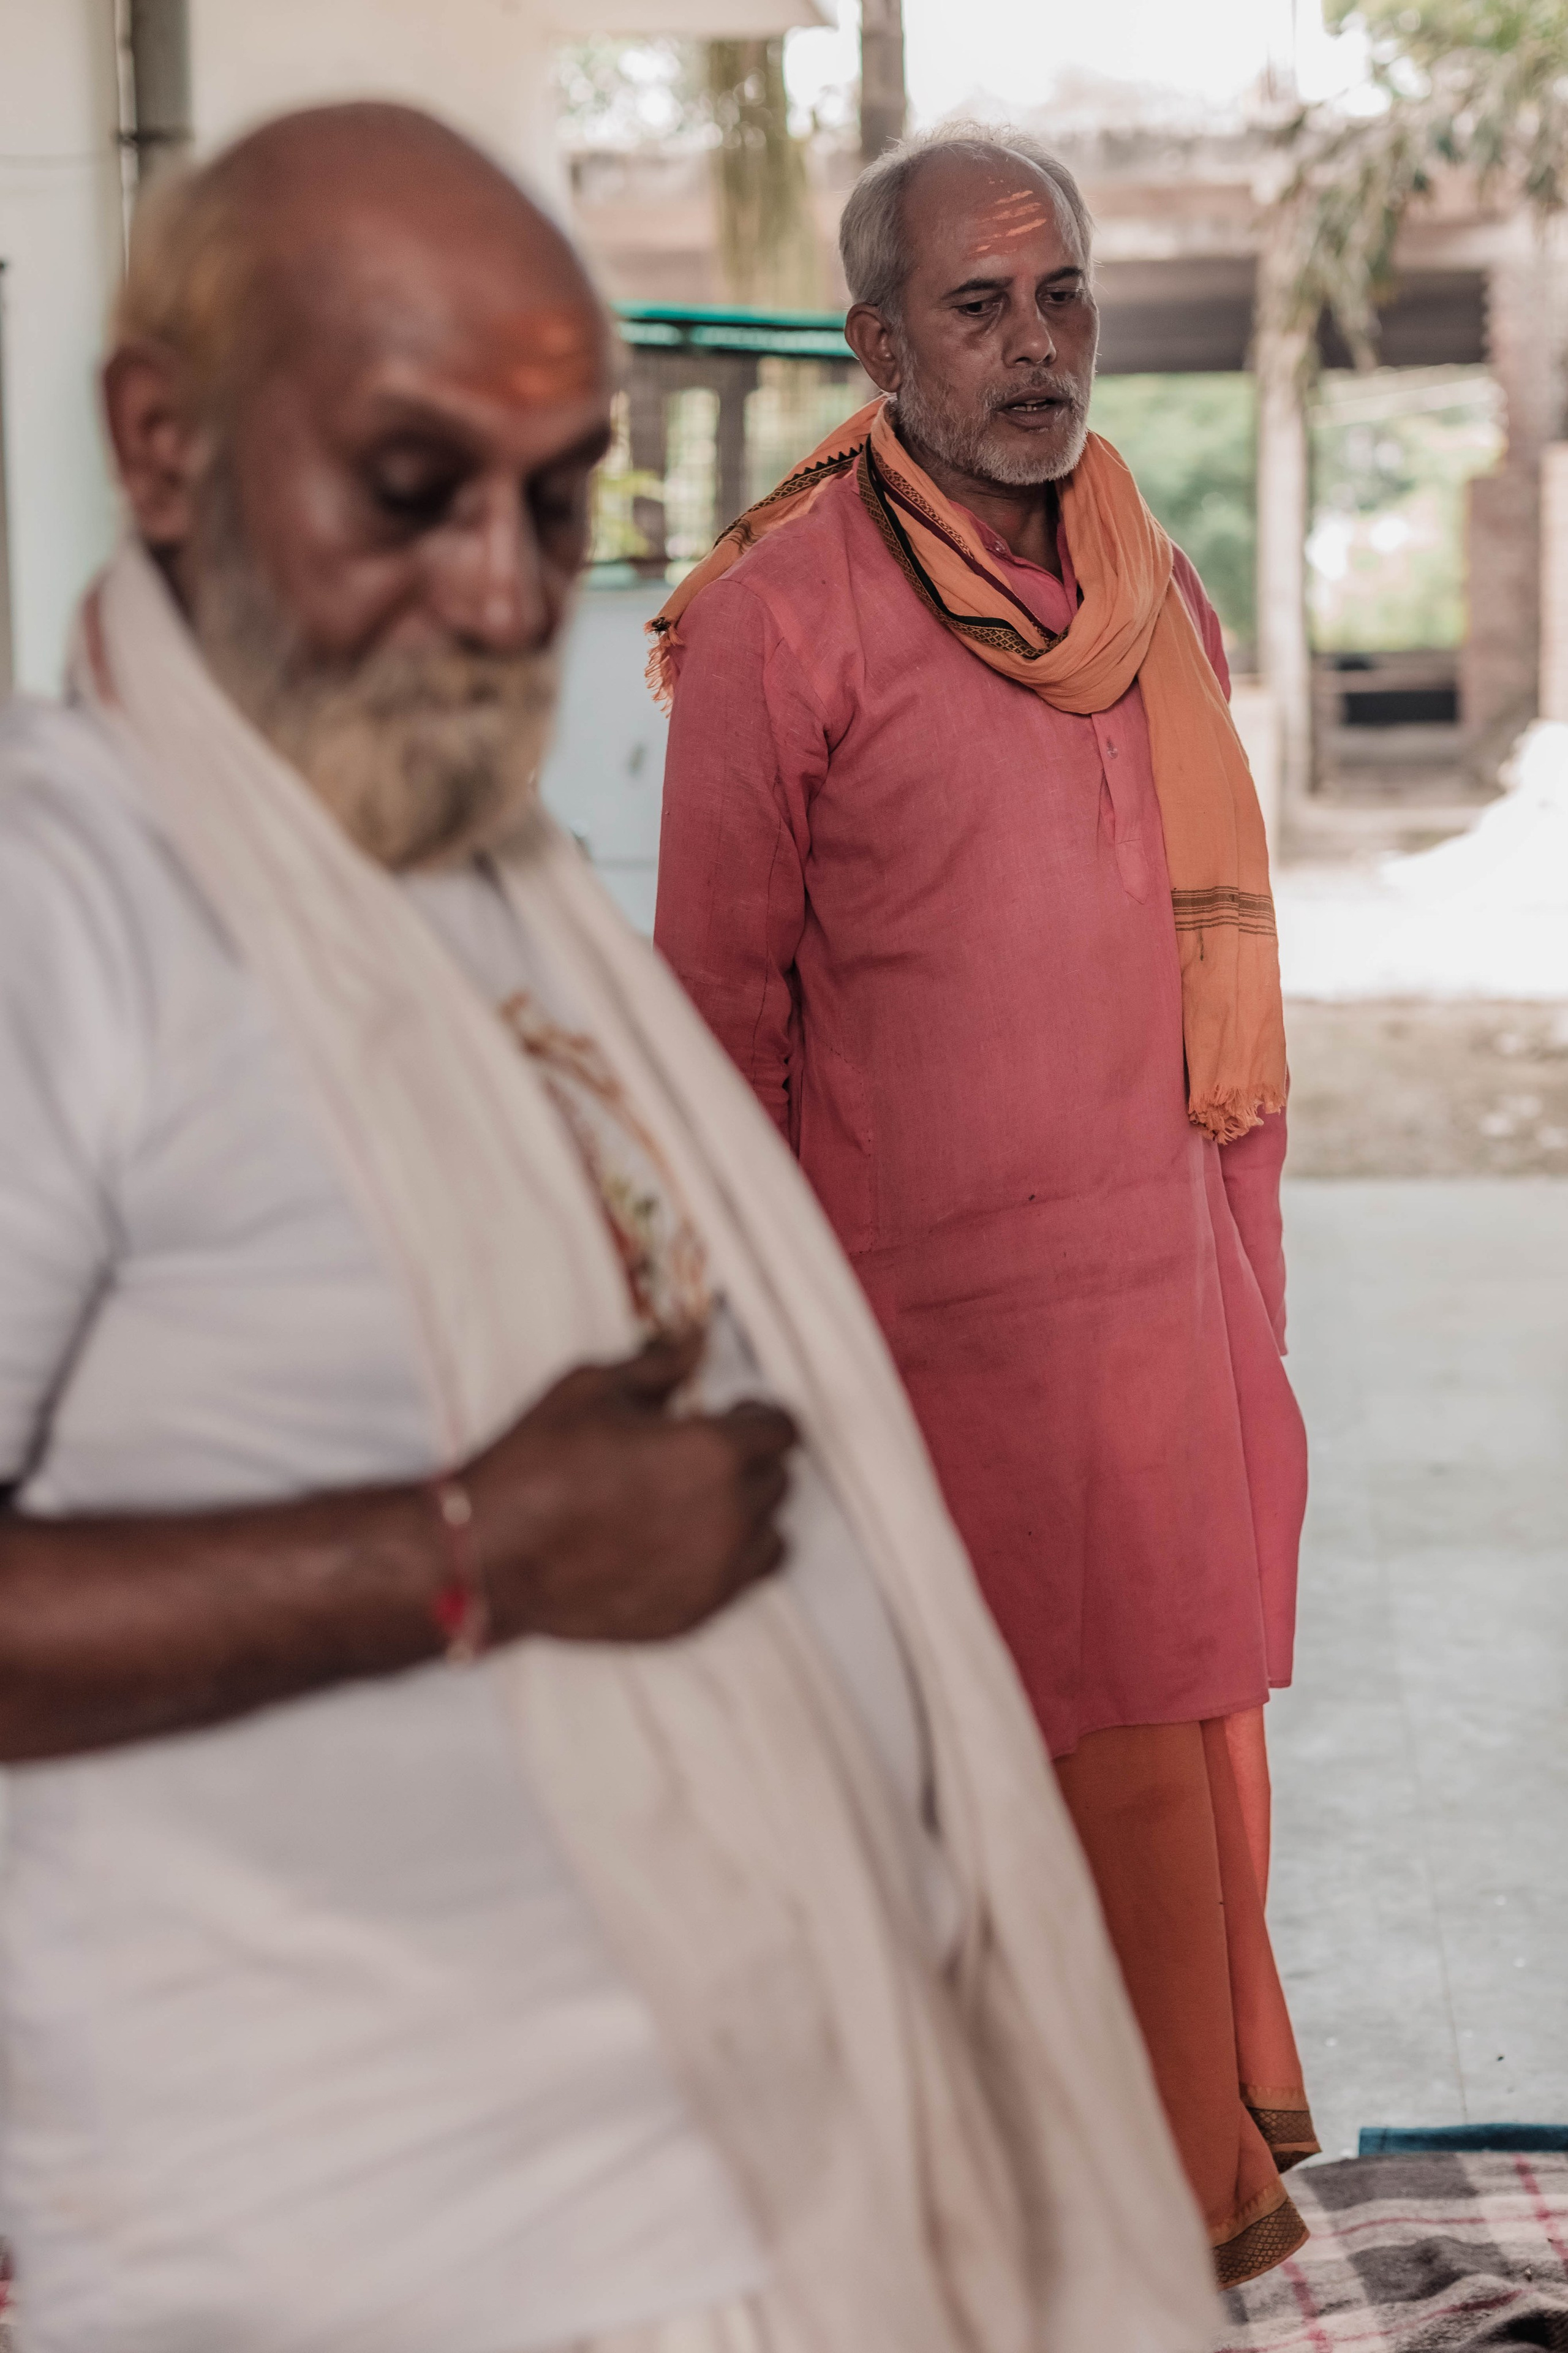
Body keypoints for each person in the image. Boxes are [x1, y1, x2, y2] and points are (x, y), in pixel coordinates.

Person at [0, 103, 1219, 2353]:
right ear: (158, 447)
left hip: (736, 2201)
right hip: (355, 2247)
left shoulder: (477, 874)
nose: (500, 587)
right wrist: (476, 1554)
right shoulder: (61, 905)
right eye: (409, 486)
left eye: (556, 497)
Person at [652, 124, 1317, 2289]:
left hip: (1157, 1313)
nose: (1035, 350)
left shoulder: (1153, 580)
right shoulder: (776, 619)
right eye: (975, 306)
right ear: (875, 343)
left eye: (1061, 299)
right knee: (933, 1778)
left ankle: (1158, 2211)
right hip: (918, 1350)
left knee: (1154, 1761)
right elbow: (713, 1017)